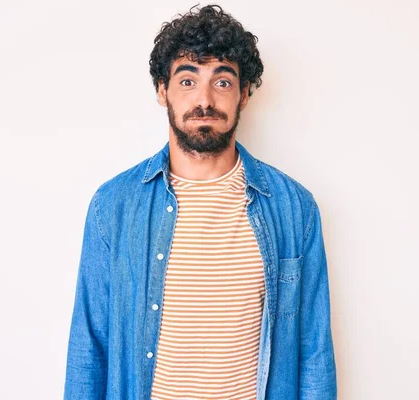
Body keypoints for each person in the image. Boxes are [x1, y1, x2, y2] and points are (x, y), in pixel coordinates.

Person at [64, 4, 337, 399]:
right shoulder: (113, 207)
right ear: (163, 90)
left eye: (222, 82)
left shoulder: (293, 209)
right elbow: (89, 350)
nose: (205, 99)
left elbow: (313, 353)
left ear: (244, 94)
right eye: (188, 80)